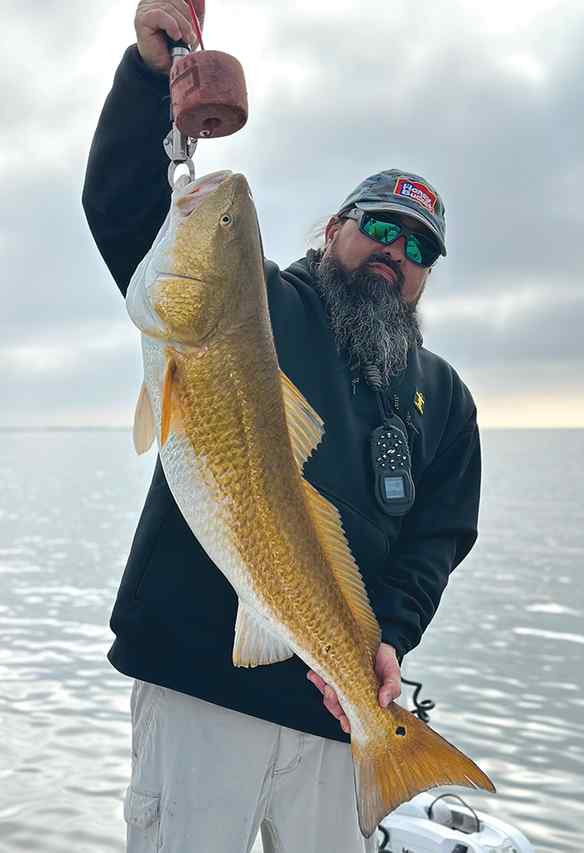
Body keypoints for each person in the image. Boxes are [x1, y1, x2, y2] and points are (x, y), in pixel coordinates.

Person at [82, 2, 481, 851]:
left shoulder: (444, 398)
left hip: (337, 715)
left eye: (419, 249)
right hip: (198, 689)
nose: (396, 253)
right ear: (333, 230)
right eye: (380, 227)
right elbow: (125, 207)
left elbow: (437, 539)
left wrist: (391, 637)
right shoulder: (251, 303)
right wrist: (151, 75)